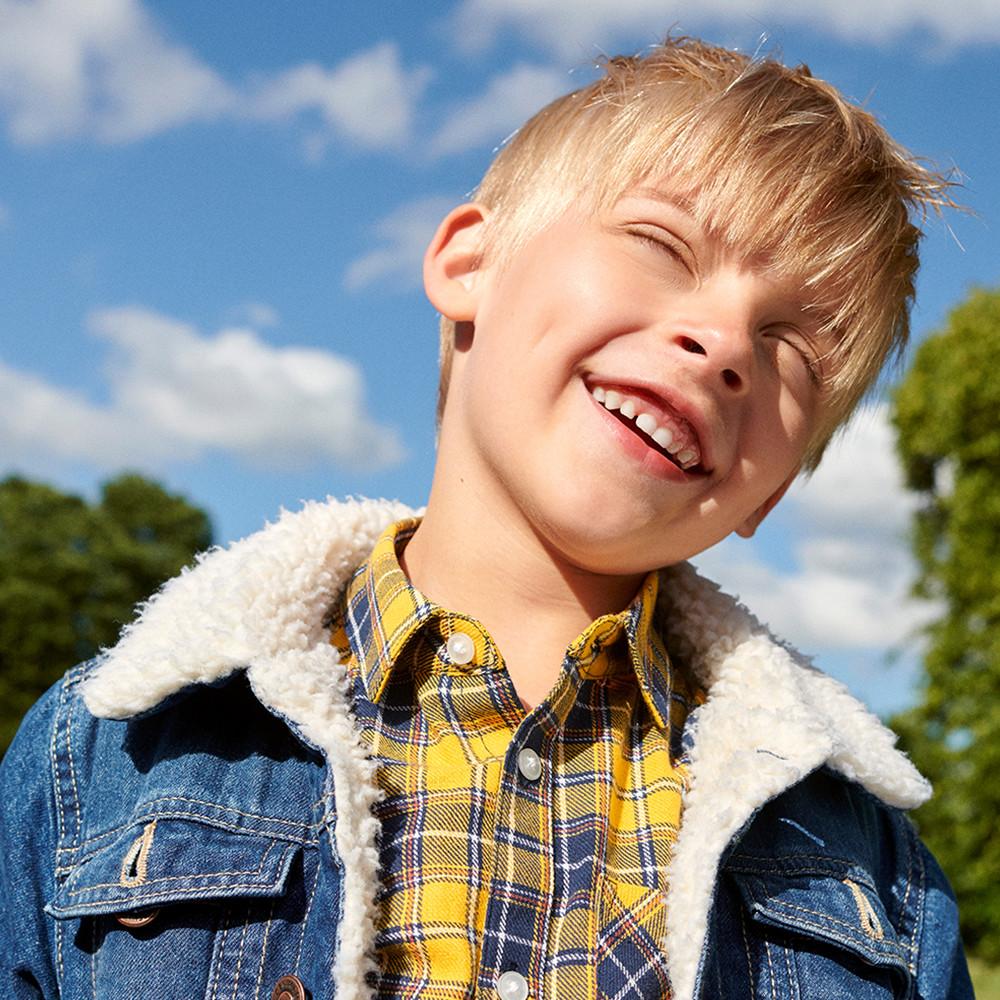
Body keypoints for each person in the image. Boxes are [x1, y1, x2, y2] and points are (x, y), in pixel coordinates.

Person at [0, 35, 972, 1000]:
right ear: (471, 262)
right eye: (661, 243)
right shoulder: (101, 757)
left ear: (775, 484)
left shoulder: (871, 873)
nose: (723, 346)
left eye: (791, 348)